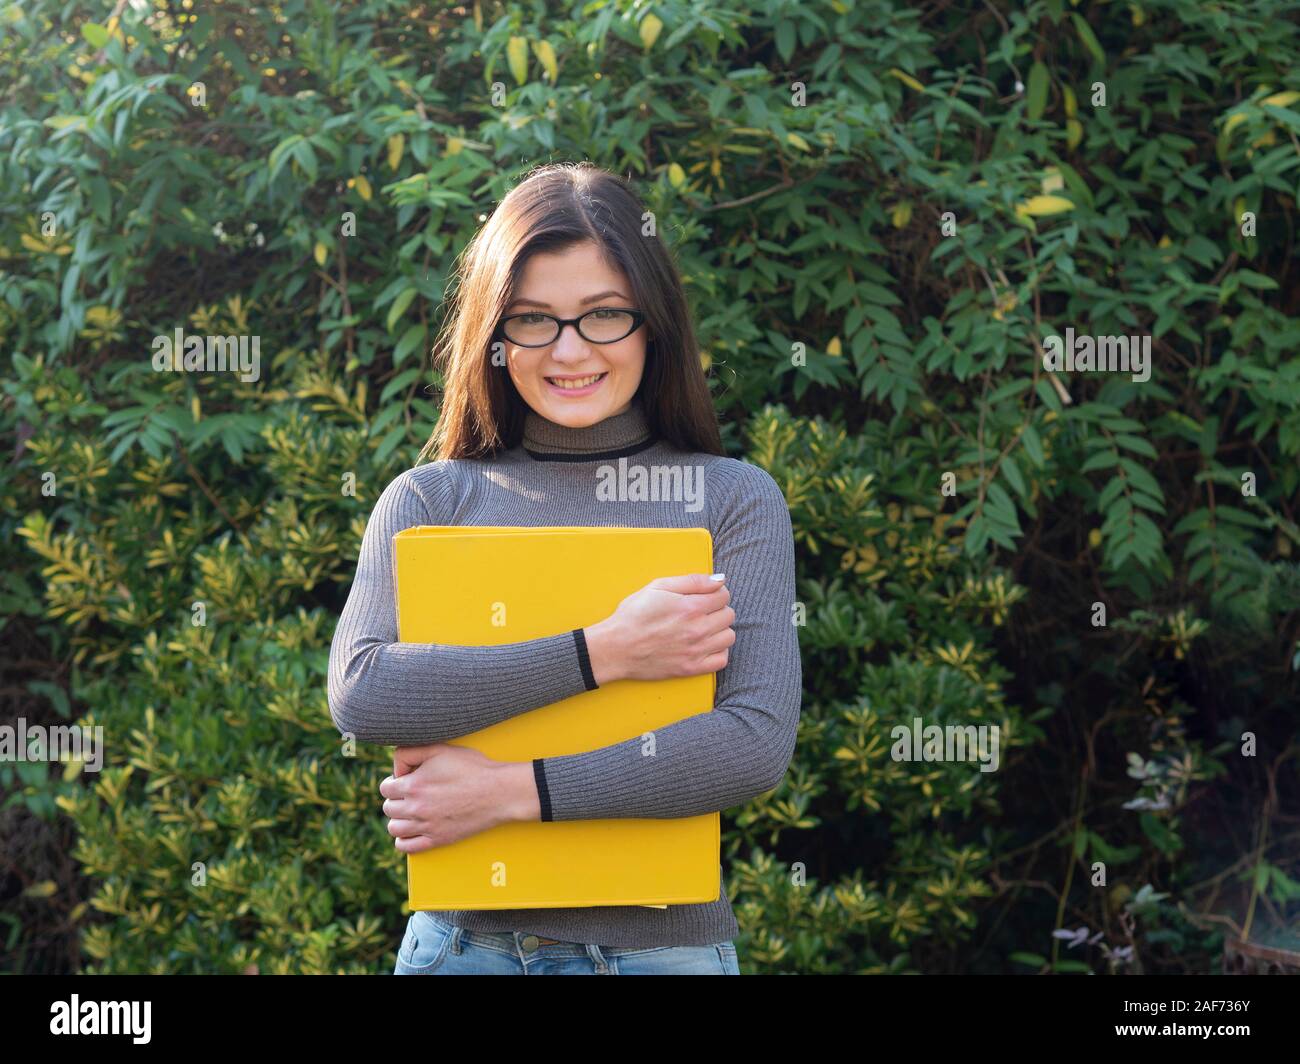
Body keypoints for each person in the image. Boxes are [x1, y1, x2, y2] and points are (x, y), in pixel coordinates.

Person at [327, 161, 801, 975]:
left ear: (653, 324)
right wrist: (605, 651)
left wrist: (510, 793)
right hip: (464, 949)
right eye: (534, 320)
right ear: (495, 335)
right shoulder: (431, 499)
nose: (570, 350)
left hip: (664, 953)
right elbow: (366, 691)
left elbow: (751, 743)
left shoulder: (730, 499)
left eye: (604, 316)